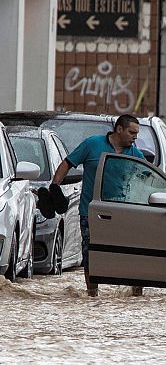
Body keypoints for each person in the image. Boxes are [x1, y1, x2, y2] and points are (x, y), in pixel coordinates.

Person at [50, 114, 146, 297]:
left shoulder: (135, 154)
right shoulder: (92, 144)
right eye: (132, 132)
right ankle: (92, 295)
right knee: (90, 253)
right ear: (119, 129)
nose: (135, 137)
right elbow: (67, 164)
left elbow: (147, 178)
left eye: (137, 133)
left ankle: (136, 295)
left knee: (131, 253)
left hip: (123, 212)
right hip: (91, 211)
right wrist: (55, 186)